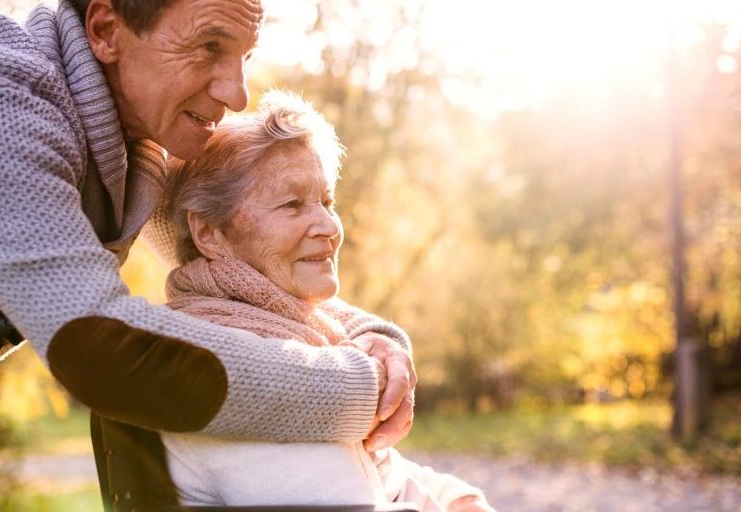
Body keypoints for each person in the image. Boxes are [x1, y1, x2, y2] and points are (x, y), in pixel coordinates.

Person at [0, 0, 416, 508]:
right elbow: (104, 350)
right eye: (209, 47)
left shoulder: (140, 130)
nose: (235, 91)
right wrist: (362, 389)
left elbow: (228, 252)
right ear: (107, 30)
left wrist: (373, 339)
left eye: (241, 54)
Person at [157, 90, 495, 512]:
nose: (328, 226)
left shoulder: (293, 335)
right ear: (208, 233)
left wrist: (460, 500)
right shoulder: (236, 368)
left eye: (327, 201)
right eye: (293, 204)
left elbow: (384, 472)